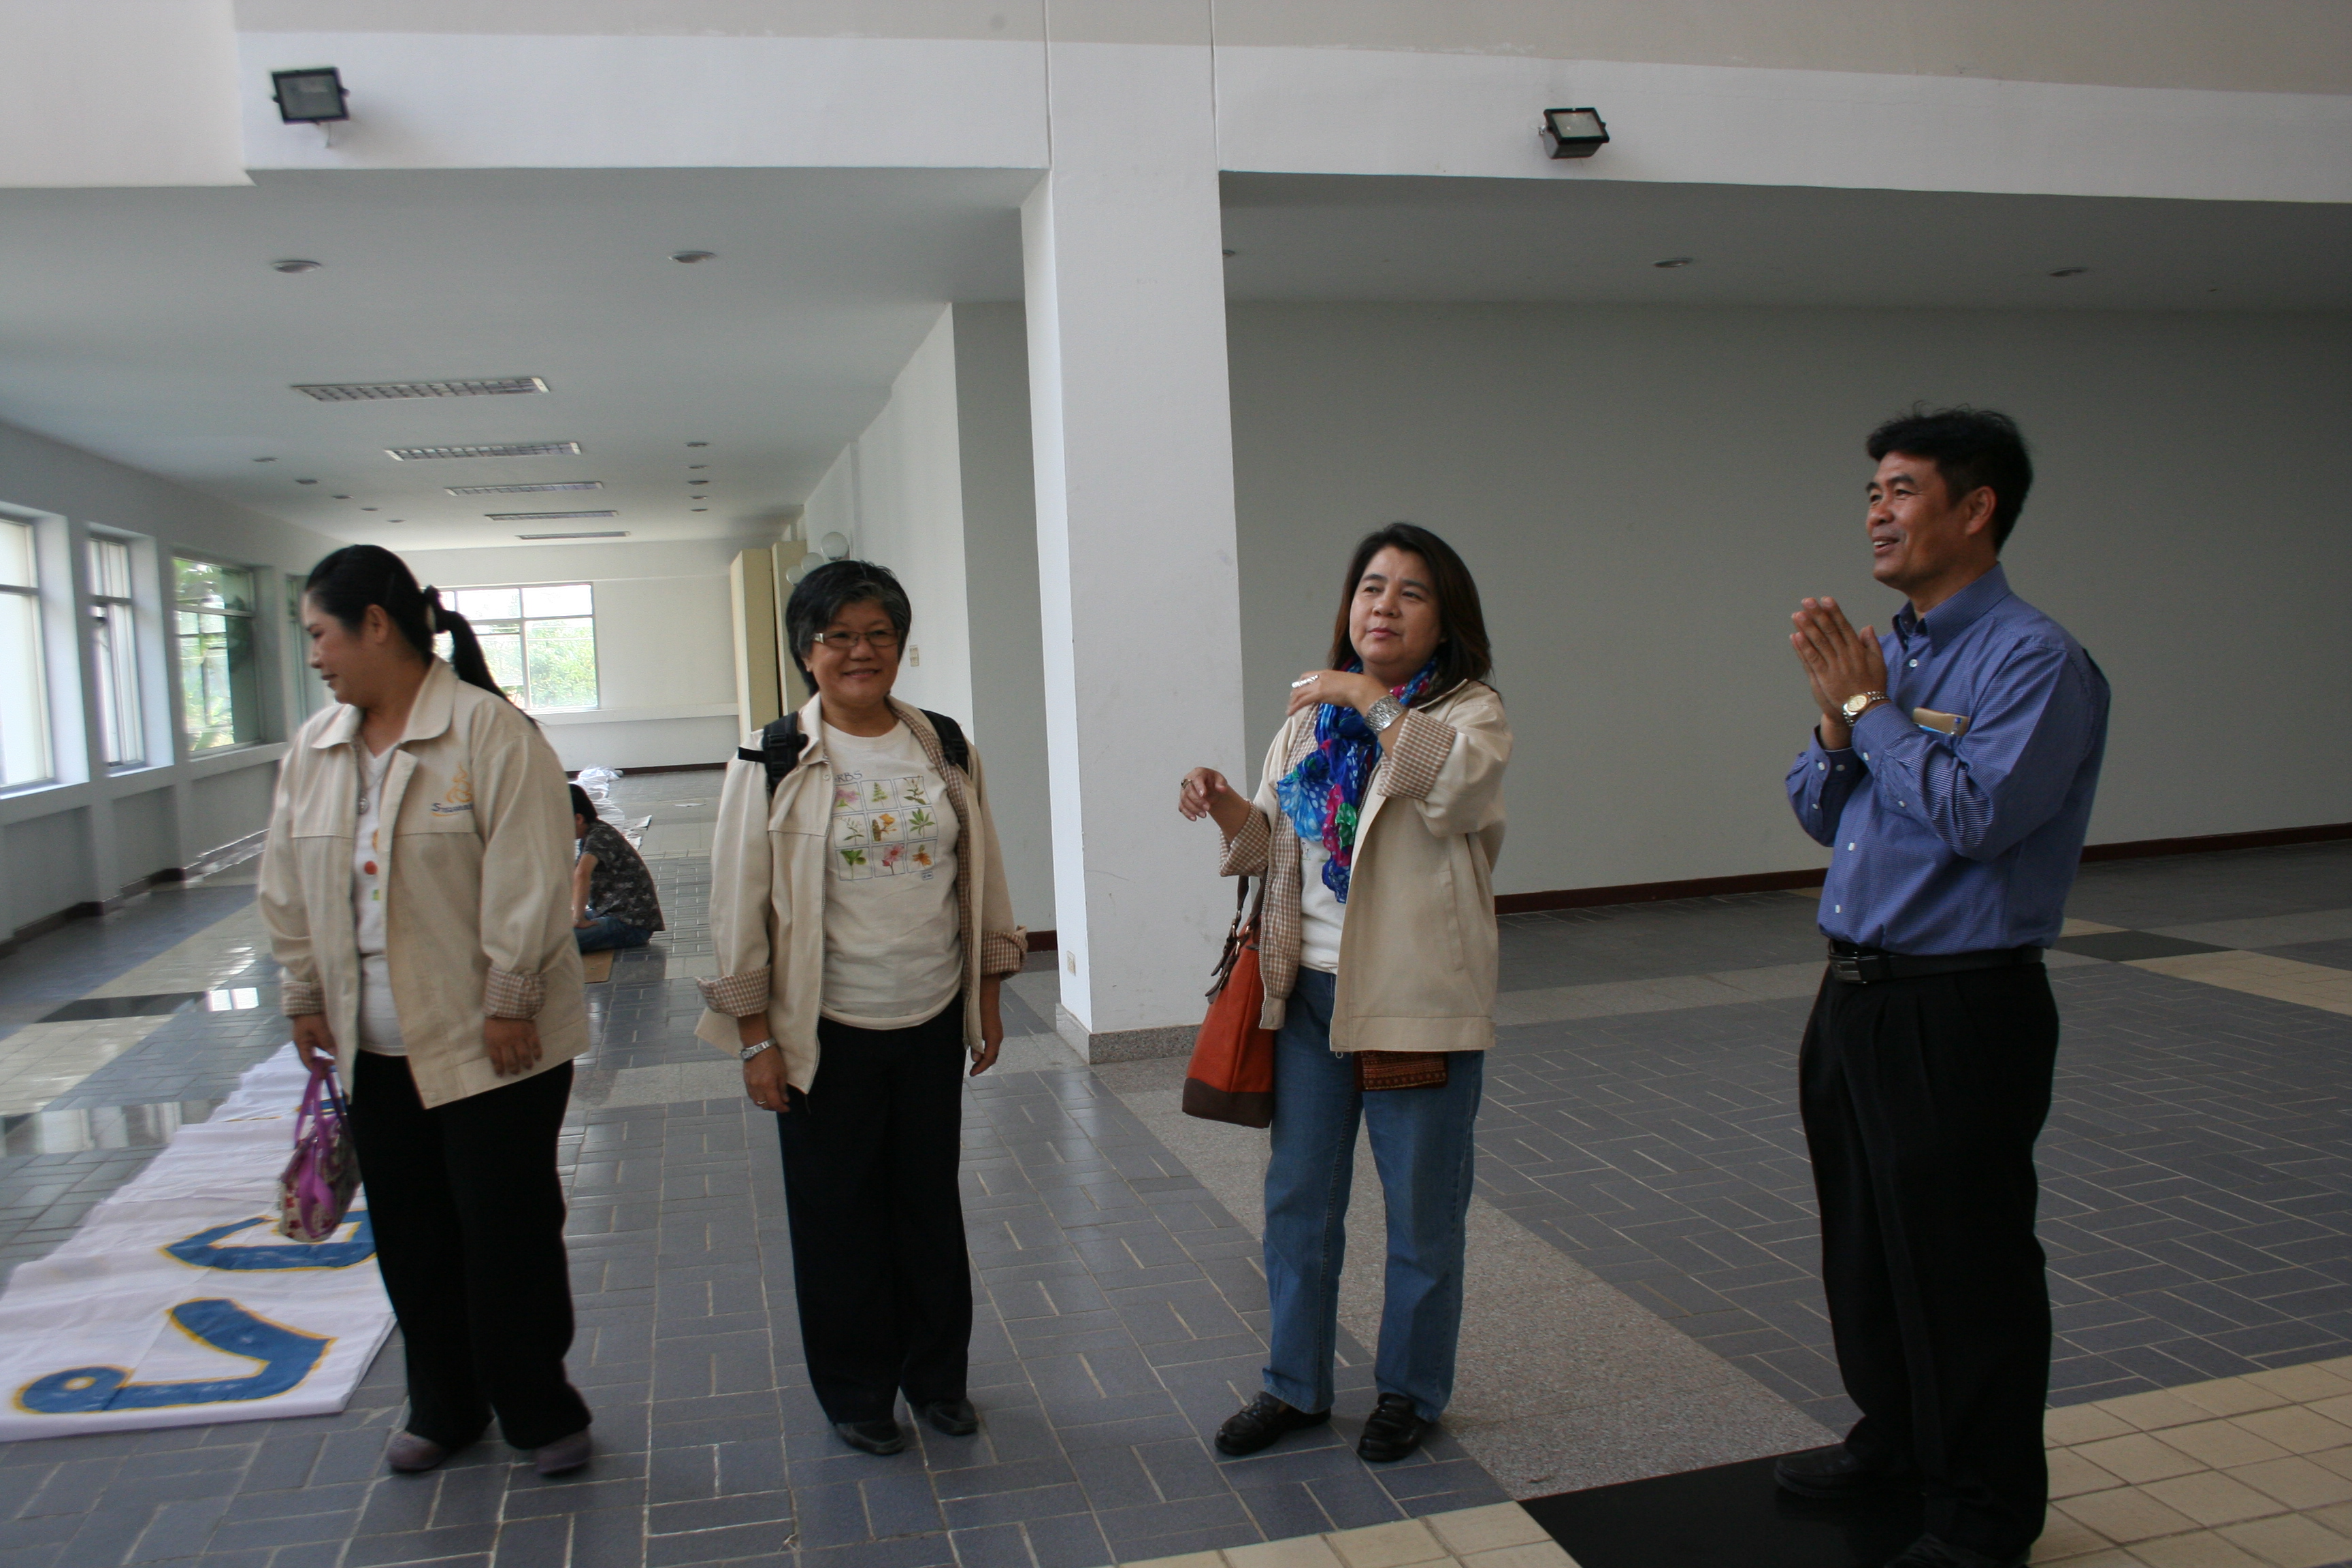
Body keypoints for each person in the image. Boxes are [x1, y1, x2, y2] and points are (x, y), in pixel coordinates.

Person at [1779, 408, 2110, 1568]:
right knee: (1867, 1243)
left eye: (1904, 489)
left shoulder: (2035, 660)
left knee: (1967, 1270)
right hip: (1855, 995)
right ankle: (1897, 1439)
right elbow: (1817, 810)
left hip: (1961, 1003)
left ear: (1976, 508)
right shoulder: (1889, 653)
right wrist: (1840, 722)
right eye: (1872, 490)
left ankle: (1984, 1514)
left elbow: (1979, 816)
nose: (1878, 511)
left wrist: (1870, 712)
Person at [259, 544, 594, 1477]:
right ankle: (444, 1406)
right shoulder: (316, 749)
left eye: (321, 634)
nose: (315, 656)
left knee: (506, 1230)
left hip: (495, 1042)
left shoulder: (488, 733)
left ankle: (539, 1408)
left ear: (376, 624)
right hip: (374, 1046)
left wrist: (509, 997)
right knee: (411, 1234)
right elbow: (285, 879)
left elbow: (530, 876)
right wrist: (303, 991)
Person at [1178, 522, 1509, 1465]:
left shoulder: (1472, 715)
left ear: (1444, 620)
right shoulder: (1305, 723)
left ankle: (1410, 1390)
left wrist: (1365, 696)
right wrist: (1224, 803)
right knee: (1299, 1205)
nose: (1384, 606)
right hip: (1307, 999)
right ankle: (1294, 1386)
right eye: (1371, 587)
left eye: (1410, 592)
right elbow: (1270, 849)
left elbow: (1449, 790)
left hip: (1413, 1004)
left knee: (1422, 1212)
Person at [698, 559, 1025, 1456]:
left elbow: (985, 875)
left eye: (878, 634)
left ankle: (938, 1379)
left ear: (901, 645)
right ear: (807, 651)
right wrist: (755, 1040)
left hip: (929, 1017)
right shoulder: (771, 757)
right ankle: (856, 1394)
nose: (860, 652)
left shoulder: (943, 745)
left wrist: (987, 996)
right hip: (823, 1029)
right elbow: (737, 909)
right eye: (837, 636)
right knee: (838, 1219)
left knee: (928, 1209)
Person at [568, 783, 664, 952]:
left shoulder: (600, 836)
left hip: (631, 924)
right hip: (610, 914)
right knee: (550, 931)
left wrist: (578, 918)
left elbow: (582, 874)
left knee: (556, 943)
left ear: (578, 819)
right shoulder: (592, 834)